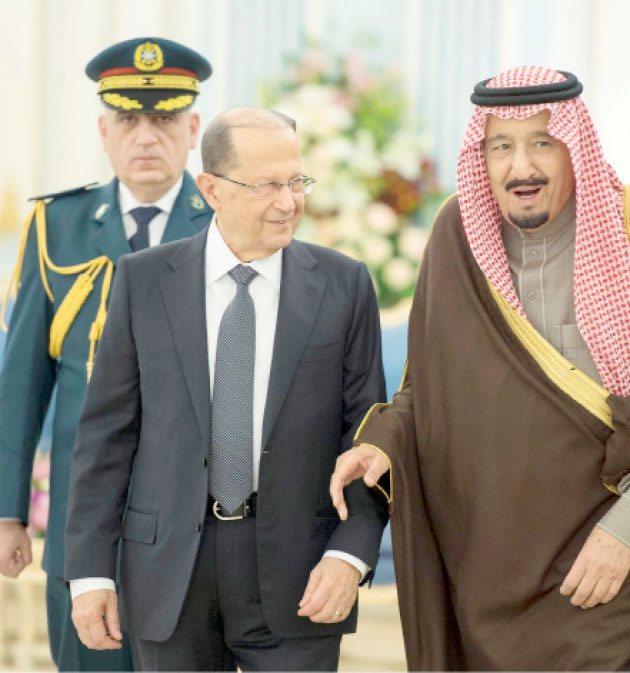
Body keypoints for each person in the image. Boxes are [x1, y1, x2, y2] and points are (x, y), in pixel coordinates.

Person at [330, 66, 630, 671]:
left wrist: (627, 528)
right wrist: (383, 448)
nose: (519, 166)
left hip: (613, 559)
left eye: (541, 144)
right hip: (490, 575)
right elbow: (427, 392)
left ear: (576, 149)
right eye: (500, 146)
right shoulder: (457, 235)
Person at [63, 107, 388, 672]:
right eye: (266, 185)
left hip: (302, 573)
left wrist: (350, 553)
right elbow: (105, 438)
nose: (288, 202)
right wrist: (89, 573)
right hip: (168, 572)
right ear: (211, 189)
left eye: (295, 181)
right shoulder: (142, 281)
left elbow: (369, 436)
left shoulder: (345, 284)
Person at [0, 37, 213, 671]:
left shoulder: (226, 225)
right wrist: (8, 512)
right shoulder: (56, 226)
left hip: (195, 527)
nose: (146, 136)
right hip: (81, 520)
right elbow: (21, 387)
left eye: (166, 118)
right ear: (103, 129)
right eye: (128, 120)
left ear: (193, 128)